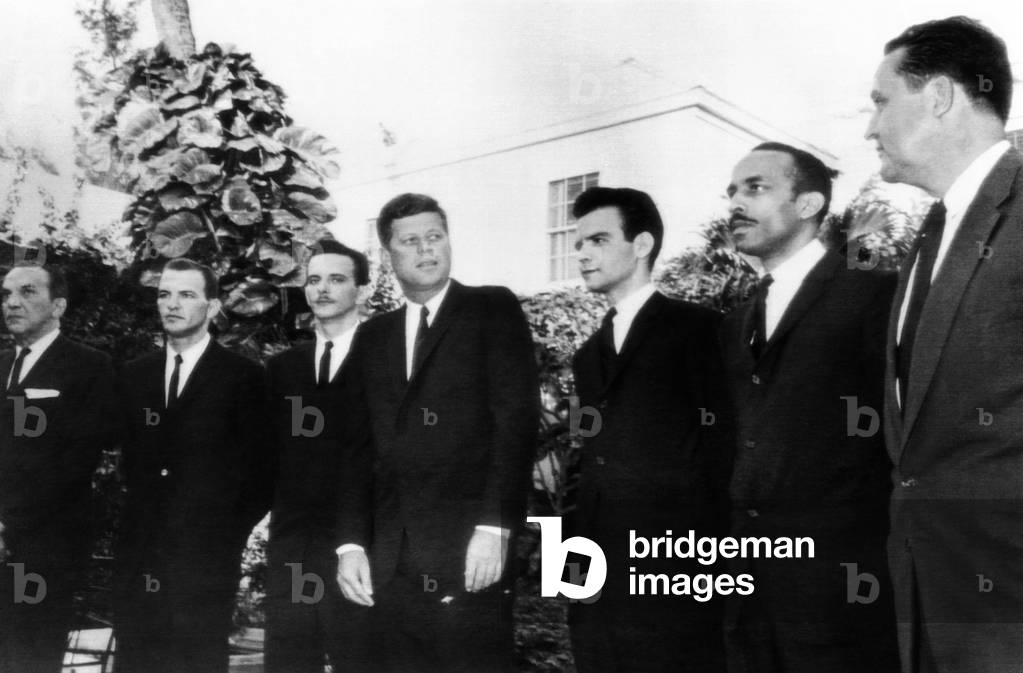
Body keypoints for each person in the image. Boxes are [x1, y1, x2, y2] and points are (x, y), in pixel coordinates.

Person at [865, 16, 1023, 673]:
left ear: (937, 97)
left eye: (879, 101)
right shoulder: (933, 233)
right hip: (929, 615)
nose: (869, 127)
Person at [335, 193, 539, 672]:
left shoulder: (491, 308)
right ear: (389, 256)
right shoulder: (373, 336)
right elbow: (354, 450)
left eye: (436, 236)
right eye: (411, 241)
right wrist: (349, 546)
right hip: (389, 561)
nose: (427, 249)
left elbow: (516, 422)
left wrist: (494, 527)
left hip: (468, 553)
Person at [719, 143, 899, 673]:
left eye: (755, 188)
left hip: (838, 599)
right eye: (731, 191)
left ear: (808, 204)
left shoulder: (873, 295)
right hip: (748, 594)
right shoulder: (736, 321)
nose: (734, 203)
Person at [568, 186, 731, 672]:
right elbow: (583, 460)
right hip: (594, 566)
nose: (583, 254)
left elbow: (723, 451)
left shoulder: (701, 329)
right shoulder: (586, 355)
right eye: (579, 244)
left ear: (640, 245)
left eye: (597, 240)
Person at [114, 258, 272, 673]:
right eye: (165, 294)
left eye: (186, 294)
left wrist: (222, 537)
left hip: (205, 564)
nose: (172, 304)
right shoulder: (134, 376)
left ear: (213, 306)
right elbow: (129, 461)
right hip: (139, 558)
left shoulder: (244, 378)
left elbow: (262, 473)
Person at [0, 263, 119, 673]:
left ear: (59, 305)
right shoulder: (0, 365)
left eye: (28, 291)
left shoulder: (88, 366)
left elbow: (73, 461)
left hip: (44, 545)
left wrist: (6, 524)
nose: (12, 302)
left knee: (29, 653)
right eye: (6, 293)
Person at [264, 240, 369, 673]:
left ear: (362, 291)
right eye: (314, 280)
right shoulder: (283, 369)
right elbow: (266, 457)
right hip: (294, 546)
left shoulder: (387, 360)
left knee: (363, 659)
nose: (322, 289)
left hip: (364, 547)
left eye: (337, 279)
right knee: (290, 660)